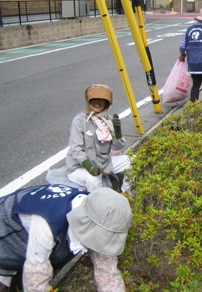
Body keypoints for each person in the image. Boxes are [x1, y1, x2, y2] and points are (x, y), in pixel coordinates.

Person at [0, 184, 132, 292]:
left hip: (30, 241)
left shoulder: (98, 209)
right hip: (6, 232)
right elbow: (36, 279)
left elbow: (107, 272)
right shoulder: (47, 223)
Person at [48, 84, 131, 193]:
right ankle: (99, 206)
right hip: (79, 167)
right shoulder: (79, 120)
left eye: (100, 100)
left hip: (103, 162)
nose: (96, 102)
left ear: (107, 103)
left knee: (131, 161)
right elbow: (75, 148)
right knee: (94, 180)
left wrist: (118, 133)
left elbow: (117, 147)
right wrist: (88, 165)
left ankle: (127, 194)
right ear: (88, 101)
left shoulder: (109, 120)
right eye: (93, 99)